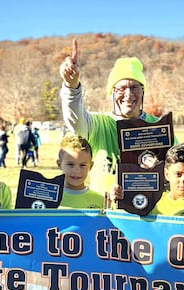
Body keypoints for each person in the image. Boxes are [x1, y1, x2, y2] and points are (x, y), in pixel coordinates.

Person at [60, 39, 167, 194]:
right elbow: (75, 119)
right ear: (112, 93)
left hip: (151, 212)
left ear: (143, 92)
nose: (128, 94)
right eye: (121, 88)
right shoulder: (99, 125)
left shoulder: (158, 127)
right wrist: (71, 87)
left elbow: (177, 165)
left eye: (134, 87)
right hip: (106, 214)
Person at [110, 141, 184, 216]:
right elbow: (132, 225)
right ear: (166, 174)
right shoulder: (153, 199)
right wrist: (117, 200)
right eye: (178, 174)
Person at [57, 135, 104, 209]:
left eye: (82, 165)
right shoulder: (51, 198)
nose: (76, 170)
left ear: (90, 166)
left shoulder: (100, 200)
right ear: (59, 164)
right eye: (70, 164)